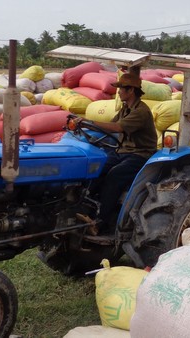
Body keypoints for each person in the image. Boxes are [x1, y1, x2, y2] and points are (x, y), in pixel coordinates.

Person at [76, 73, 157, 234]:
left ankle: (100, 221)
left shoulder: (141, 111)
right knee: (95, 168)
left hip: (140, 154)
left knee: (115, 175)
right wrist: (85, 126)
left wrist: (89, 122)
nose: (118, 92)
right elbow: (110, 125)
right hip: (122, 151)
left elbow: (118, 127)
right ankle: (83, 209)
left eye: (121, 89)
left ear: (131, 90)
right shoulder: (125, 109)